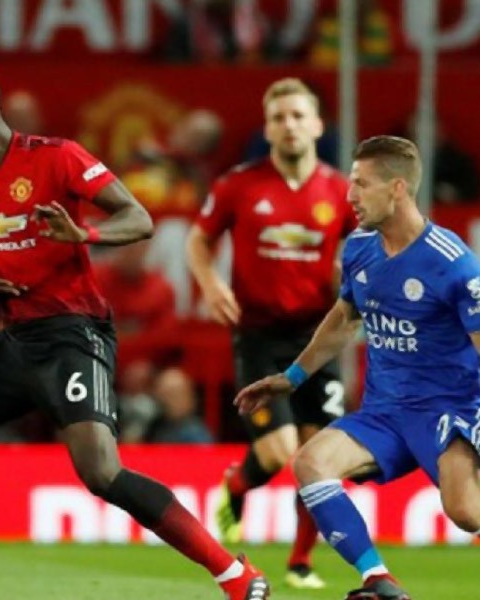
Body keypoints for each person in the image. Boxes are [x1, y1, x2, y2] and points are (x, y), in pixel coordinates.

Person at [0, 67, 270, 600]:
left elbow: (139, 217)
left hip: (74, 336)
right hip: (15, 341)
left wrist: (86, 233)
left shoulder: (57, 157)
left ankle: (234, 574)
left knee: (101, 472)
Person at [236, 135, 480, 600]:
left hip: (448, 410)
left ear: (398, 189)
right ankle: (379, 581)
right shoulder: (359, 249)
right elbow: (345, 318)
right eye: (350, 183)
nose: (349, 196)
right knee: (310, 463)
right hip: (384, 412)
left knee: (467, 513)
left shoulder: (455, 265)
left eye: (361, 185)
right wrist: (291, 378)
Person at [186, 77, 356, 589]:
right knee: (279, 453)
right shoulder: (240, 184)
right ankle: (237, 483)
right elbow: (198, 239)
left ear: (317, 125)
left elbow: (364, 244)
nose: (289, 125)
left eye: (298, 116)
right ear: (267, 127)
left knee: (319, 455)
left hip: (316, 335)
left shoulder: (339, 191)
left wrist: (350, 278)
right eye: (279, 117)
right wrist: (211, 283)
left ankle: (301, 561)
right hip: (258, 336)